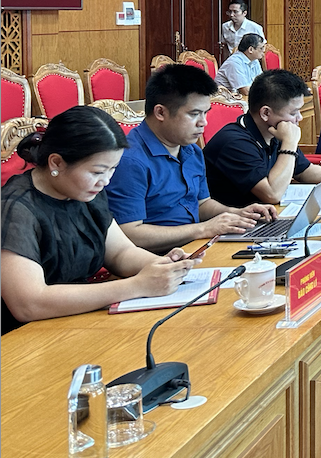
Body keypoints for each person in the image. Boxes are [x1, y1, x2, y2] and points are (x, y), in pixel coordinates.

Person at [1, 107, 202, 333]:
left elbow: (120, 253)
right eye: (97, 172)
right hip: (24, 335)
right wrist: (135, 286)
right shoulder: (16, 208)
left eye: (112, 170)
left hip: (76, 319)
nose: (105, 181)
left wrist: (164, 266)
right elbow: (29, 304)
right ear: (56, 163)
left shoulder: (84, 193)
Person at [105, 64, 274, 253]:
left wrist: (236, 213)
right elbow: (128, 233)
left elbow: (202, 204)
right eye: (194, 114)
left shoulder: (192, 151)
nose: (204, 123)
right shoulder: (130, 160)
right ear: (160, 112)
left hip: (195, 248)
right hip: (155, 261)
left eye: (205, 113)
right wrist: (203, 229)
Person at [204, 69, 321, 207]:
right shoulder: (234, 142)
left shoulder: (275, 131)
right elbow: (272, 194)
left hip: (264, 218)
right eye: (293, 113)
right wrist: (290, 143)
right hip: (228, 229)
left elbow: (304, 170)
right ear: (265, 113)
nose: (299, 118)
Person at [215, 32, 265, 97]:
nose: (264, 50)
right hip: (225, 101)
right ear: (250, 49)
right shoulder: (234, 63)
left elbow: (262, 82)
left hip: (239, 99)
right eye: (261, 48)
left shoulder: (254, 60)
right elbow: (246, 91)